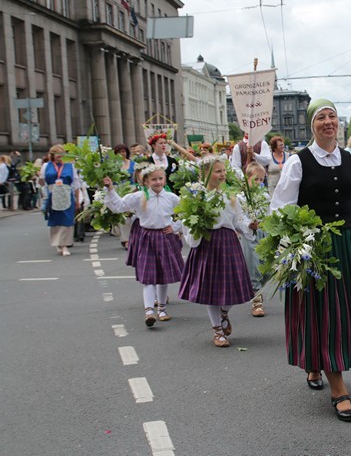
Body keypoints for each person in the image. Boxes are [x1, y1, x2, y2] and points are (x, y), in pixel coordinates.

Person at [270, 98, 351, 423]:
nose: (328, 122)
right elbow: (280, 207)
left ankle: (317, 362)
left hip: (346, 245)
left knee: (337, 313)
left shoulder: (348, 159)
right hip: (313, 248)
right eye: (320, 118)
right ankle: (339, 388)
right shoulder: (299, 162)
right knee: (322, 312)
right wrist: (293, 246)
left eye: (331, 116)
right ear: (312, 124)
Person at [179, 156, 255, 347]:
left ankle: (223, 313)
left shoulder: (230, 196)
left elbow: (238, 219)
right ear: (205, 174)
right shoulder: (196, 196)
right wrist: (195, 234)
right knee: (212, 290)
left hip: (228, 242)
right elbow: (187, 221)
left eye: (223, 171)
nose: (222, 175)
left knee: (232, 287)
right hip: (208, 242)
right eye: (218, 171)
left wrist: (249, 225)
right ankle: (217, 331)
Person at [102, 165, 183, 326]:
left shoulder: (171, 197)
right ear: (145, 181)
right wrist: (110, 188)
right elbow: (118, 206)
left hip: (165, 237)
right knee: (149, 277)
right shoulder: (139, 197)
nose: (158, 182)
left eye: (160, 178)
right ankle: (149, 311)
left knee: (163, 276)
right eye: (154, 179)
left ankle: (162, 308)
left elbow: (187, 213)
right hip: (147, 238)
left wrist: (175, 226)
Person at [38, 145, 83, 257]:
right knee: (56, 220)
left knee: (67, 220)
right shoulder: (46, 166)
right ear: (52, 154)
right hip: (53, 194)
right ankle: (58, 243)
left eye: (61, 153)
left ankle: (65, 245)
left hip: (67, 193)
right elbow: (42, 182)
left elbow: (76, 184)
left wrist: (77, 199)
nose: (59, 156)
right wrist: (45, 195)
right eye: (57, 153)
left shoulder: (70, 166)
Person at [239, 162, 270, 318]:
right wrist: (247, 224)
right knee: (254, 265)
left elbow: (270, 212)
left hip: (264, 232)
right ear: (247, 178)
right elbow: (239, 216)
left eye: (261, 180)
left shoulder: (265, 195)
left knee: (268, 268)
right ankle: (256, 299)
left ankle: (258, 290)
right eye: (255, 179)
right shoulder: (241, 197)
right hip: (250, 234)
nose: (258, 183)